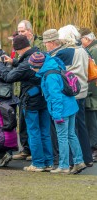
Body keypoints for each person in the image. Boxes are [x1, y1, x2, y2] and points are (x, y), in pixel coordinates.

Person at [0, 35, 53, 172]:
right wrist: (14, 62)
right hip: (44, 97)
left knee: (33, 131)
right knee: (45, 131)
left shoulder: (26, 63)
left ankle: (38, 163)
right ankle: (48, 162)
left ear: (18, 48)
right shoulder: (40, 55)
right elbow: (24, 67)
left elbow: (9, 77)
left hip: (30, 100)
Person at [30, 52, 86, 174]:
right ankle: (79, 161)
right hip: (71, 106)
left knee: (62, 137)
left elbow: (56, 97)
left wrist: (57, 115)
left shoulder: (49, 77)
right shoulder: (55, 66)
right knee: (71, 135)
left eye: (32, 66)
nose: (31, 69)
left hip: (62, 110)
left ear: (38, 66)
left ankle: (64, 165)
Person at [56, 25, 93, 167]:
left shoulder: (65, 52)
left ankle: (73, 160)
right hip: (82, 89)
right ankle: (87, 157)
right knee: (81, 125)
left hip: (71, 93)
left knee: (70, 129)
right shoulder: (83, 50)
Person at [13, 20, 45, 161]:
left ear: (30, 31)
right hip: (21, 89)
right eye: (19, 31)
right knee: (23, 122)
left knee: (36, 125)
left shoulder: (40, 45)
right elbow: (19, 64)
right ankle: (25, 148)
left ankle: (37, 154)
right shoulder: (18, 43)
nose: (20, 33)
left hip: (34, 90)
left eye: (22, 31)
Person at [79, 28, 97, 162]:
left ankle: (93, 148)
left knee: (92, 122)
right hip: (93, 92)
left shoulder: (93, 51)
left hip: (93, 94)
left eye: (81, 40)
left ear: (86, 39)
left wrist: (88, 92)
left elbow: (93, 73)